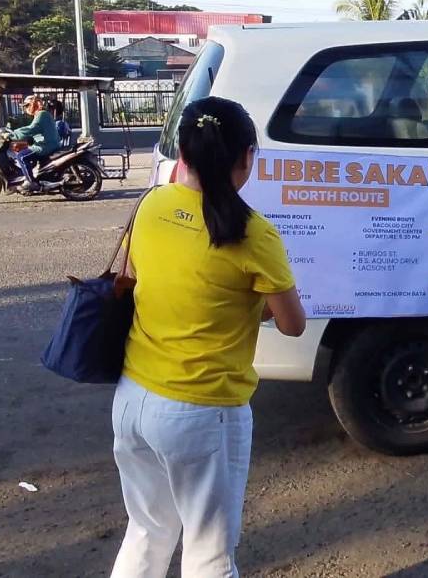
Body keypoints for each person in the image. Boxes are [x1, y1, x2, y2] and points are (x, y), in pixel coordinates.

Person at [110, 96, 306, 578]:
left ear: (183, 151)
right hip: (200, 410)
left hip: (132, 398)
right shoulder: (254, 234)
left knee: (147, 532)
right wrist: (245, 301)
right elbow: (292, 323)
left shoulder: (152, 203)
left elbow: (137, 278)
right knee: (210, 554)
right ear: (246, 158)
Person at [9, 95, 60, 191]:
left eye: (27, 105)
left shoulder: (42, 115)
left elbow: (31, 129)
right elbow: (36, 132)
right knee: (25, 152)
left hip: (46, 146)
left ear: (33, 104)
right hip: (46, 144)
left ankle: (31, 182)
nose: (25, 108)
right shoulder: (41, 114)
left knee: (21, 156)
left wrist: (12, 134)